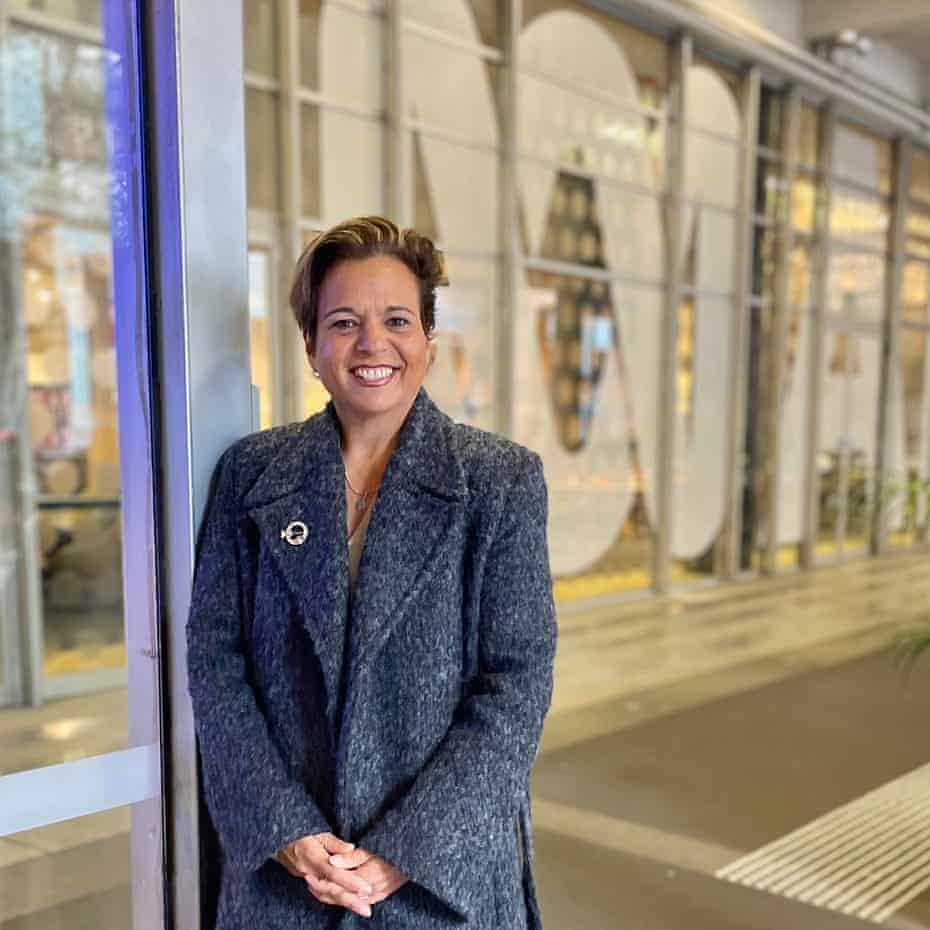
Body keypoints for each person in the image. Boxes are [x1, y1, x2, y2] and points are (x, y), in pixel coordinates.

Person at [186, 216, 557, 929]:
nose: (372, 344)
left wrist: (405, 849)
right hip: (286, 882)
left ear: (428, 343)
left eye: (396, 320)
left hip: (439, 885)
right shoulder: (252, 474)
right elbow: (214, 657)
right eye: (345, 321)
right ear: (310, 346)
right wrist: (282, 827)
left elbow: (516, 684)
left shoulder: (500, 482)